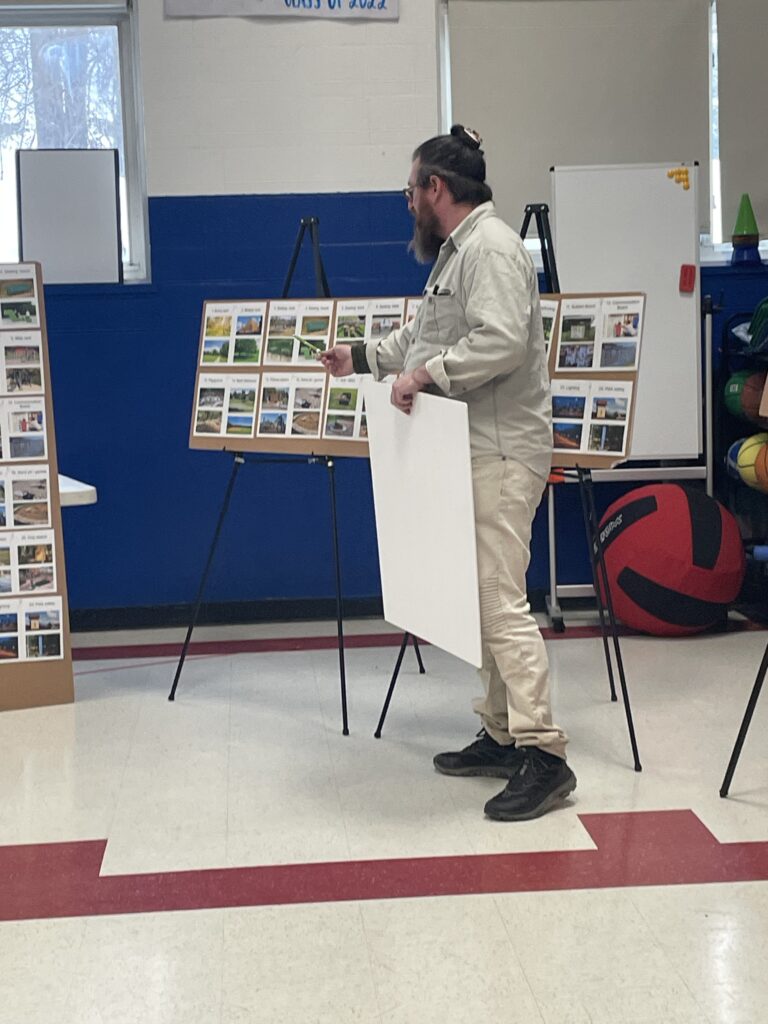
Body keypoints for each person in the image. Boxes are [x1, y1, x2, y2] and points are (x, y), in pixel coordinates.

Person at [320, 125, 575, 821]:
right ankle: (501, 734)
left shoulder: (490, 248)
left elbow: (499, 340)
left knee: (497, 601)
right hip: (472, 445)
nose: (408, 202)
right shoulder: (458, 253)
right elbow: (422, 337)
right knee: (480, 599)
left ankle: (545, 754)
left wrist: (424, 377)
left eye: (411, 189)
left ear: (437, 187)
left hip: (500, 448)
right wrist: (364, 358)